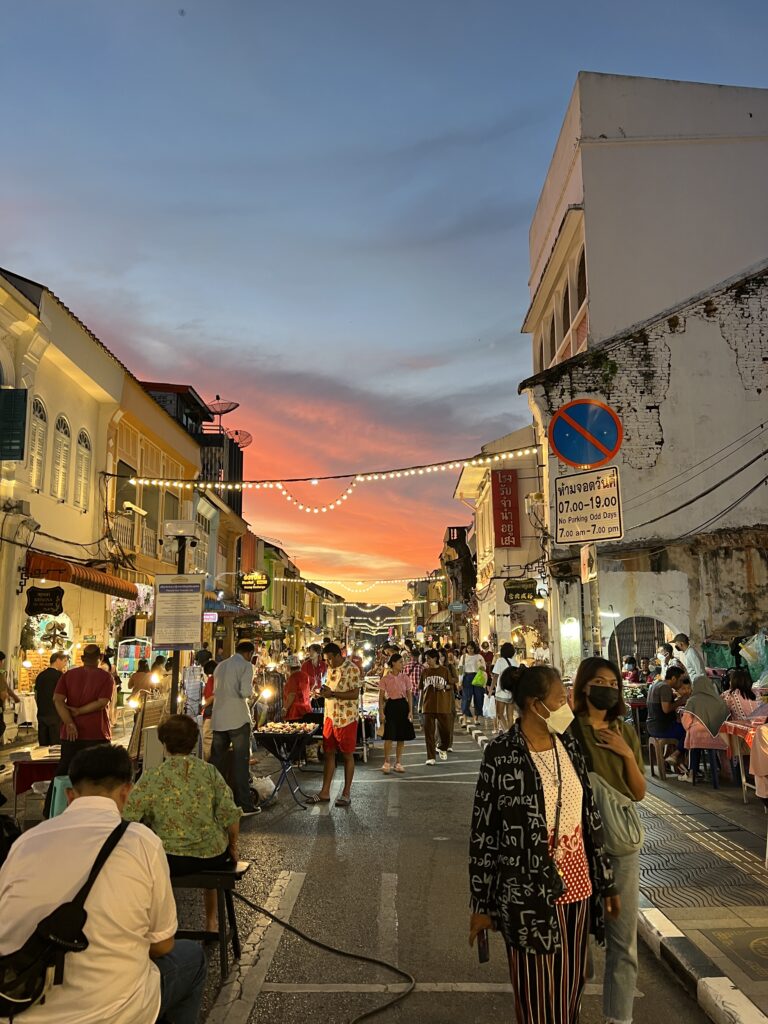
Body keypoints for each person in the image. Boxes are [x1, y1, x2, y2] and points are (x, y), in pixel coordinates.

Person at [0, 744, 206, 1024]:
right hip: (113, 1012)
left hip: (20, 1003)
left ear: (70, 796)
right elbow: (162, 944)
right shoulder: (141, 841)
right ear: (126, 793)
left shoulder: (26, 842)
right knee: (192, 957)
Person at [468, 665, 619, 1024]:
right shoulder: (501, 754)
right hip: (526, 893)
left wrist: (606, 880)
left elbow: (589, 816)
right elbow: (483, 834)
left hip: (578, 888)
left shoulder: (568, 743)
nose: (567, 703)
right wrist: (480, 903)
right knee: (536, 997)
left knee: (570, 990)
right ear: (536, 705)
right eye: (559, 698)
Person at [572, 657, 645, 1024]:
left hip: (619, 843)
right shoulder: (567, 729)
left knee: (623, 940)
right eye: (600, 682)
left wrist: (626, 753)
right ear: (584, 686)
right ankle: (568, 1006)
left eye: (614, 684)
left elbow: (639, 791)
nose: (608, 688)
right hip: (576, 843)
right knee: (574, 938)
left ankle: (619, 1018)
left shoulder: (625, 731)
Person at [124, 715, 241, 934]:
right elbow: (231, 817)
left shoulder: (153, 776)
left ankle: (161, 927)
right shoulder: (209, 772)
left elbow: (129, 817)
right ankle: (212, 923)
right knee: (211, 845)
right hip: (211, 857)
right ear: (194, 741)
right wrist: (233, 847)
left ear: (164, 743)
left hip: (167, 859)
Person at [46, 644, 114, 816]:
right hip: (97, 732)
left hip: (70, 734)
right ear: (100, 658)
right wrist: (81, 711)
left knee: (64, 770)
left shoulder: (69, 675)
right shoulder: (106, 677)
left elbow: (57, 700)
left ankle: (51, 810)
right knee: (99, 774)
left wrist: (69, 722)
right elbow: (102, 702)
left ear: (83, 659)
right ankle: (96, 811)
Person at [308, 642, 362, 807]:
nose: (328, 662)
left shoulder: (352, 669)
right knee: (329, 753)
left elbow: (354, 694)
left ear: (338, 655)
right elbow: (330, 690)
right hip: (330, 716)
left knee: (347, 755)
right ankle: (325, 792)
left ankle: (346, 793)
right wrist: (322, 693)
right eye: (326, 660)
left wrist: (333, 694)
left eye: (330, 659)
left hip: (347, 718)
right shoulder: (330, 669)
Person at [210, 640, 260, 815]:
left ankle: (215, 803)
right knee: (240, 762)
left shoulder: (220, 666)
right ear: (249, 654)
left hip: (218, 719)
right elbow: (245, 692)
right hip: (237, 719)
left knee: (217, 763)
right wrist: (254, 691)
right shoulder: (246, 666)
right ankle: (244, 804)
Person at [680, 675, 730, 778]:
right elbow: (726, 716)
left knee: (692, 737)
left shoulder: (692, 700)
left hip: (698, 738)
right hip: (720, 736)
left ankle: (692, 773)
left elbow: (686, 722)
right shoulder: (719, 699)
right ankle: (724, 771)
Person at [646, 666, 691, 772]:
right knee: (689, 732)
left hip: (652, 725)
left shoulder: (656, 684)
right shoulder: (665, 687)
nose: (681, 684)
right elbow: (666, 709)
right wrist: (682, 700)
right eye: (680, 680)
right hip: (661, 727)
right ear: (674, 678)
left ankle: (668, 760)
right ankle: (677, 757)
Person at [378, 653, 415, 773]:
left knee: (401, 736)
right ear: (393, 663)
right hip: (391, 706)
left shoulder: (405, 677)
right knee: (389, 736)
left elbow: (409, 694)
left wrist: (410, 711)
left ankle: (398, 762)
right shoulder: (385, 679)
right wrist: (381, 712)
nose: (402, 664)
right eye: (400, 662)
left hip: (403, 706)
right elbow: (381, 697)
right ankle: (387, 762)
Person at [420, 649, 454, 765]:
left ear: (435, 658)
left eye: (428, 658)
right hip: (428, 705)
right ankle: (431, 757)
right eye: (426, 659)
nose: (427, 661)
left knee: (446, 730)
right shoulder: (424, 672)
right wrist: (420, 706)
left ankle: (442, 747)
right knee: (428, 732)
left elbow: (450, 685)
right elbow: (421, 690)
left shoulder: (444, 670)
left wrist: (444, 686)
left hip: (443, 705)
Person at [34, 650, 69, 746]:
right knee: (55, 745)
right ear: (58, 660)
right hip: (55, 714)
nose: (65, 664)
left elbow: (36, 694)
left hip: (42, 713)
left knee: (43, 744)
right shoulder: (60, 676)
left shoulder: (40, 675)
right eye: (64, 661)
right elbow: (64, 696)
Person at [491, 641, 518, 732]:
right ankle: (510, 733)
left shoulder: (500, 661)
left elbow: (495, 676)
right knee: (510, 716)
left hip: (501, 691)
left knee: (500, 714)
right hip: (511, 692)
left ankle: (506, 732)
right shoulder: (515, 662)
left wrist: (491, 690)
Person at [459, 641, 487, 722]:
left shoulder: (479, 656)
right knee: (466, 698)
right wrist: (460, 681)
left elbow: (484, 668)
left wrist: (480, 665)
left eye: (471, 648)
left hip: (477, 677)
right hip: (467, 677)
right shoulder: (463, 657)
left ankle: (476, 717)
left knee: (478, 697)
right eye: (468, 648)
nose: (470, 650)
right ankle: (464, 718)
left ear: (474, 648)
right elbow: (461, 669)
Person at [284, 654, 313, 721]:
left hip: (295, 712)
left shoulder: (293, 677)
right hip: (306, 709)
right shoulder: (305, 675)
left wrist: (285, 708)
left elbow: (292, 695)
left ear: (289, 667)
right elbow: (313, 683)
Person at [200, 658, 218, 760]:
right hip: (218, 714)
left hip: (211, 715)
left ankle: (207, 765)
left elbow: (212, 696)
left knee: (207, 741)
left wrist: (204, 705)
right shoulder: (222, 679)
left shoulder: (212, 679)